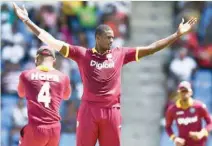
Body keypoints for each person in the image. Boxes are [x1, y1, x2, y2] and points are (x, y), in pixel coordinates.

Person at [13, 3, 197, 146]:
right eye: (108, 36)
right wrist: (27, 21)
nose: (112, 39)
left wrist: (176, 35)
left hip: (111, 111)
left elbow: (150, 49)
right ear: (98, 37)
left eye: (112, 36)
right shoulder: (82, 54)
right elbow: (51, 41)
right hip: (88, 111)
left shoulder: (120, 53)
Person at [17, 46, 71, 146]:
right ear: (54, 61)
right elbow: (66, 96)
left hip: (36, 127)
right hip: (54, 130)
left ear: (36, 59)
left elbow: (21, 93)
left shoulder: (26, 75)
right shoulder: (63, 77)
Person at [165, 81, 212, 146]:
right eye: (182, 91)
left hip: (199, 143)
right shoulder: (172, 109)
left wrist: (201, 133)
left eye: (186, 91)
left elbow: (210, 123)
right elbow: (168, 127)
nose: (184, 93)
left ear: (191, 92)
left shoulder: (199, 106)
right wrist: (174, 138)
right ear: (178, 93)